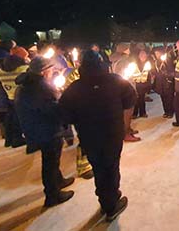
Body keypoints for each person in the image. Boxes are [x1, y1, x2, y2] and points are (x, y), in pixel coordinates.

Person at [59, 51, 134, 222]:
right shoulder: (115, 80)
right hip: (112, 133)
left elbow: (65, 115)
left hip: (88, 136)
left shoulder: (75, 88)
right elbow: (130, 99)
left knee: (99, 168)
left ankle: (106, 198)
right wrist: (120, 115)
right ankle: (111, 204)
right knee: (111, 167)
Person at [14, 57, 74, 207]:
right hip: (46, 130)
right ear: (43, 71)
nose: (52, 71)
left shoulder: (28, 84)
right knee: (50, 163)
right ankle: (52, 195)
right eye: (51, 69)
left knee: (52, 160)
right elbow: (52, 109)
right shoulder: (40, 88)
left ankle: (58, 181)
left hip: (37, 128)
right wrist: (62, 100)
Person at [0, 47, 30, 148]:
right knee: (19, 120)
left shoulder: (0, 72)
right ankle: (17, 139)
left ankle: (9, 139)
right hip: (22, 97)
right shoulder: (23, 70)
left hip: (10, 97)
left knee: (10, 118)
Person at [153, 47, 175, 118]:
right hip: (160, 83)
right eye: (155, 53)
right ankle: (166, 111)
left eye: (158, 53)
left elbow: (171, 71)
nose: (156, 55)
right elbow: (155, 71)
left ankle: (170, 111)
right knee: (163, 98)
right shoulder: (156, 62)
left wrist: (169, 80)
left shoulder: (167, 60)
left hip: (167, 82)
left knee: (169, 98)